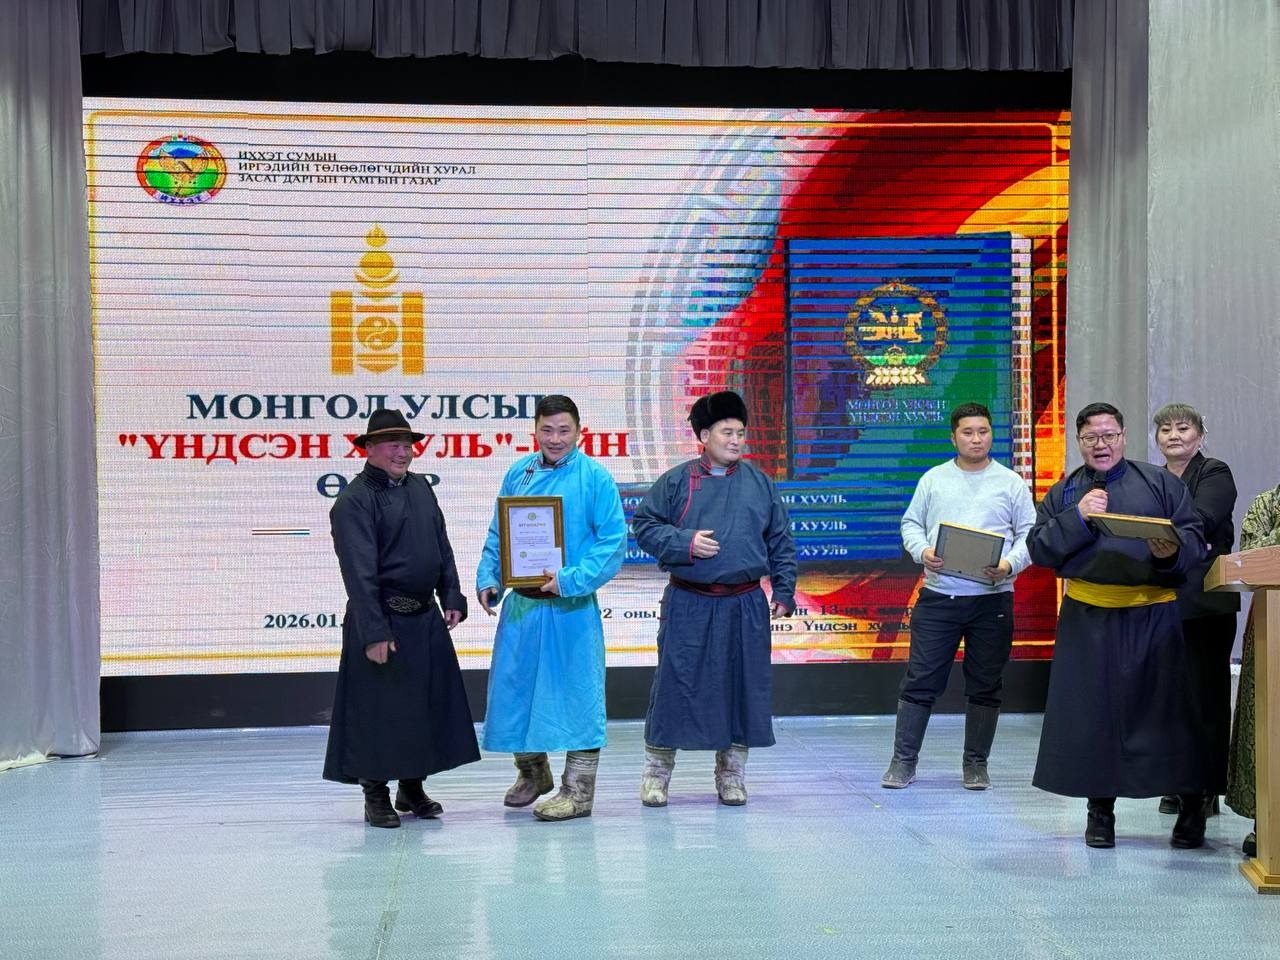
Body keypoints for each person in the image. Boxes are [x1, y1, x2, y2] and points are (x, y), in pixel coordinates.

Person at [1028, 402, 1209, 849]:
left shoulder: (1160, 483)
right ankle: (1100, 813)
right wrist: (1079, 517)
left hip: (1153, 614)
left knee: (1167, 715)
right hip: (1089, 617)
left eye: (1109, 435)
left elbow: (1193, 538)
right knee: (1094, 718)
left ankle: (1191, 808)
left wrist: (1170, 552)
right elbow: (1040, 548)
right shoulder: (1066, 492)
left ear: (1124, 437)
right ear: (1079, 442)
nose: (1101, 445)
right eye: (1091, 437)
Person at [631, 390, 797, 807]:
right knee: (674, 685)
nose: (736, 440)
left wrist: (784, 589)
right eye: (727, 432)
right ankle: (656, 775)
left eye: (741, 432)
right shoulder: (676, 481)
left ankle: (731, 776)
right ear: (704, 435)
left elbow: (780, 541)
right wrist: (684, 542)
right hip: (690, 602)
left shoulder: (760, 483)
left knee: (743, 687)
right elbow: (645, 526)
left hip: (745, 603)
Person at [323, 408, 481, 828]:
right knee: (378, 711)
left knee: (423, 707)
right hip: (383, 620)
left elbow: (441, 544)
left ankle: (412, 787)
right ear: (369, 449)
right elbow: (359, 574)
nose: (403, 452)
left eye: (407, 444)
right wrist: (374, 631)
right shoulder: (353, 501)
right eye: (393, 444)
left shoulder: (420, 488)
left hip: (425, 617)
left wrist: (451, 594)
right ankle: (375, 793)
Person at [476, 395, 627, 822]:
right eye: (547, 430)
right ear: (535, 431)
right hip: (523, 607)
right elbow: (499, 532)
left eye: (564, 430)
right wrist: (489, 576)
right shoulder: (518, 473)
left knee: (579, 696)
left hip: (570, 608)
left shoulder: (595, 478)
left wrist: (568, 580)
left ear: (579, 431)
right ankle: (532, 771)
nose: (555, 439)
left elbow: (612, 542)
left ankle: (578, 791)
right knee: (516, 691)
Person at [881, 402, 1036, 791]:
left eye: (983, 431)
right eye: (968, 432)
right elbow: (911, 524)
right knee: (921, 679)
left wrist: (1009, 565)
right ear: (954, 438)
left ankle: (976, 764)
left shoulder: (1010, 483)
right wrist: (923, 552)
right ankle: (903, 761)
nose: (976, 439)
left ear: (991, 435)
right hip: (939, 597)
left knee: (986, 682)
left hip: (992, 599)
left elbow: (1029, 535)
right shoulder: (934, 479)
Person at [1151, 403, 1239, 818]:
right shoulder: (1152, 479)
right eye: (1165, 429)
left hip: (1205, 602)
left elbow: (1203, 519)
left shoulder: (1214, 472)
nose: (1173, 435)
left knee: (1205, 697)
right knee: (1169, 697)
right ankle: (1176, 781)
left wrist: (1159, 533)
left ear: (1200, 436)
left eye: (1183, 428)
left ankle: (1206, 787)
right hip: (1161, 600)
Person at [1227, 483, 1280, 857]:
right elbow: (1252, 557)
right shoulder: (1267, 503)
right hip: (1272, 626)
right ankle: (1268, 822)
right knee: (1266, 722)